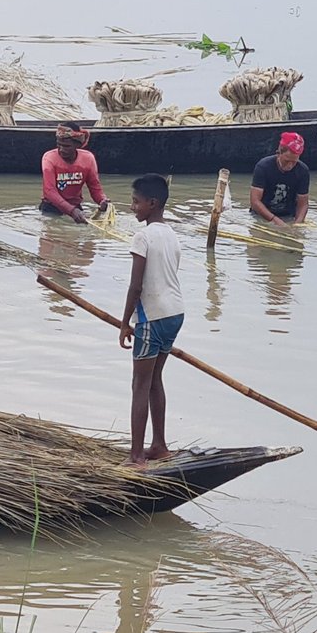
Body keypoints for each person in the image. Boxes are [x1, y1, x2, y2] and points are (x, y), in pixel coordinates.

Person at [118, 174, 184, 467]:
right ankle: (158, 445)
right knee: (155, 378)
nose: (133, 207)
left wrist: (125, 323)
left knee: (140, 384)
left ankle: (136, 455)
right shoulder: (171, 234)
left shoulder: (142, 237)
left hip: (152, 316)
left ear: (152, 203)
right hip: (175, 313)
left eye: (136, 202)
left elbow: (136, 286)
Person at [40, 123, 109, 223]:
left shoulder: (88, 159)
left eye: (66, 146)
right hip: (52, 208)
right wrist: (71, 211)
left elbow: (95, 188)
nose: (61, 149)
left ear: (77, 145)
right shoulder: (49, 158)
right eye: (59, 145)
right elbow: (49, 191)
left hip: (75, 206)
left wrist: (102, 200)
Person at [250, 132, 310, 226]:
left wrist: (297, 224)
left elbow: (303, 204)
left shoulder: (303, 171)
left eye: (294, 162)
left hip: (288, 216)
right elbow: (255, 201)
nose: (290, 166)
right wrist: (274, 219)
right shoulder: (263, 167)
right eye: (286, 161)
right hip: (262, 215)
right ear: (278, 154)